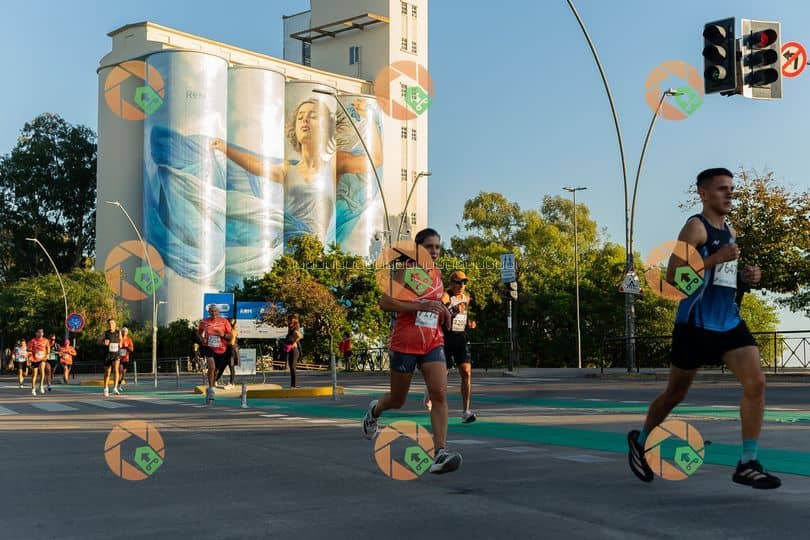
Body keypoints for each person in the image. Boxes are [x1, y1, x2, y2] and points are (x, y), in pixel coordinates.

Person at [627, 168, 781, 490]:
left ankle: (747, 463)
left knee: (756, 383)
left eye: (731, 188)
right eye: (722, 189)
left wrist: (746, 277)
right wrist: (715, 258)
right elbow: (673, 278)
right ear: (703, 193)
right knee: (676, 393)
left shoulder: (730, 230)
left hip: (728, 321)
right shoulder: (695, 228)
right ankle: (640, 442)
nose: (730, 194)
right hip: (695, 325)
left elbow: (721, 278)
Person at [362, 228, 463, 474]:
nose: (434, 251)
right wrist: (419, 306)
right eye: (429, 247)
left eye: (437, 247)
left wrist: (443, 311)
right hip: (406, 341)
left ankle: (440, 453)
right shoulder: (406, 271)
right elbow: (385, 303)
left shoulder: (436, 274)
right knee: (398, 400)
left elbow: (433, 303)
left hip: (432, 341)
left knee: (439, 394)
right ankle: (375, 411)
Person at [441, 270, 478, 423]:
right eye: (458, 282)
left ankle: (466, 411)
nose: (462, 285)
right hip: (445, 339)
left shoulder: (466, 298)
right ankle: (432, 396)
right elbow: (439, 315)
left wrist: (470, 323)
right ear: (451, 284)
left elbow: (465, 316)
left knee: (466, 373)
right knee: (442, 375)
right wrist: (453, 311)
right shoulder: (445, 296)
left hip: (460, 338)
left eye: (464, 282)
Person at [197, 304, 233, 404]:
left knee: (216, 370)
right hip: (208, 347)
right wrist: (202, 339)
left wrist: (223, 335)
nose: (213, 313)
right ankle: (211, 388)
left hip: (221, 348)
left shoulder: (224, 321)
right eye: (211, 311)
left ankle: (212, 386)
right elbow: (199, 332)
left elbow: (230, 336)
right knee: (211, 367)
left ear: (218, 312)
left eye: (215, 311)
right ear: (209, 312)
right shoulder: (204, 322)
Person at [98, 319, 123, 397]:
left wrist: (120, 344)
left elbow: (121, 340)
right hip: (108, 355)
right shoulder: (106, 333)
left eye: (112, 323)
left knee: (116, 370)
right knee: (107, 372)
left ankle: (115, 388)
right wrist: (103, 342)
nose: (110, 325)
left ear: (115, 324)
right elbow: (98, 341)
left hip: (116, 354)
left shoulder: (118, 332)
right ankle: (106, 389)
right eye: (109, 323)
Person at [216, 318, 239, 389]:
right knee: (222, 366)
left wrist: (223, 342)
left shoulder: (233, 330)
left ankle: (232, 383)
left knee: (231, 366)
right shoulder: (227, 331)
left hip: (232, 350)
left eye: (230, 322)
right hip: (227, 350)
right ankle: (215, 381)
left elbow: (232, 343)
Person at [28, 329, 50, 396]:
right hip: (34, 359)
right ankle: (33, 388)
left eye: (42, 332)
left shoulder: (46, 340)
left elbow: (48, 348)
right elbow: (28, 349)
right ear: (36, 333)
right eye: (39, 332)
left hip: (42, 358)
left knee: (42, 371)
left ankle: (41, 385)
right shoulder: (32, 340)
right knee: (34, 374)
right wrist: (33, 351)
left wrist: (47, 354)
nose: (41, 333)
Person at [285, 315, 303, 388]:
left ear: (293, 320)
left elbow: (300, 336)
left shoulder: (295, 328)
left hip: (294, 350)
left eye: (289, 319)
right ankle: (292, 385)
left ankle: (294, 385)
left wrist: (294, 343)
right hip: (290, 349)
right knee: (291, 367)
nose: (288, 321)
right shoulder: (290, 328)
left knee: (292, 367)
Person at [117, 327, 134, 392]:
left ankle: (119, 384)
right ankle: (117, 385)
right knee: (120, 370)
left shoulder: (129, 339)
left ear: (127, 332)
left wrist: (127, 347)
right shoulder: (119, 339)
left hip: (126, 359)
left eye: (126, 331)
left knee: (123, 373)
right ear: (121, 332)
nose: (124, 332)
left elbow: (132, 349)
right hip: (119, 358)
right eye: (123, 331)